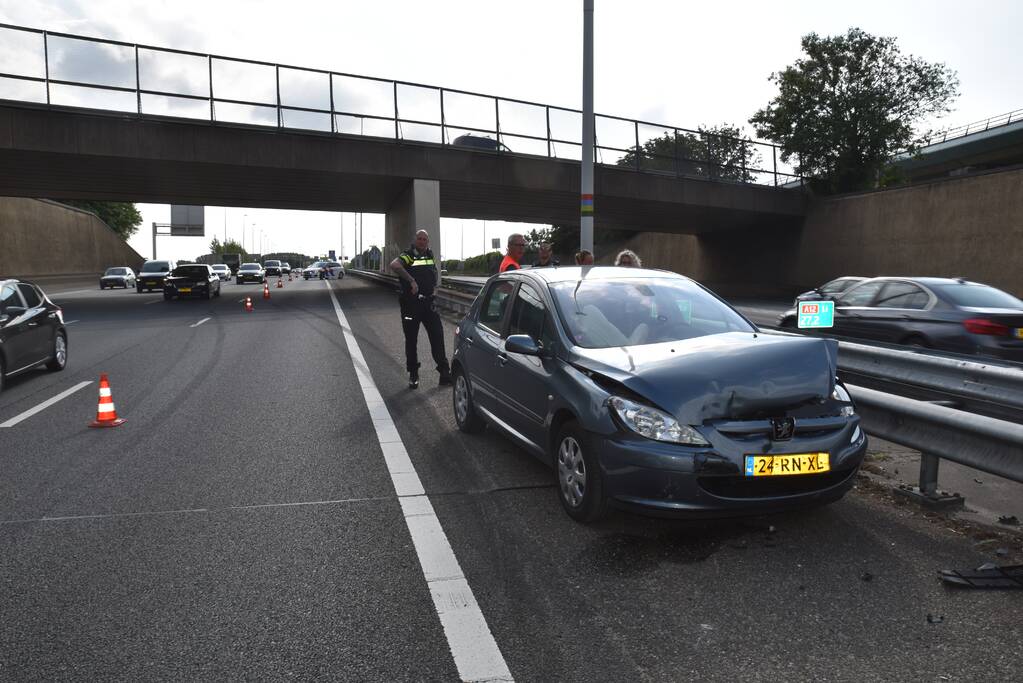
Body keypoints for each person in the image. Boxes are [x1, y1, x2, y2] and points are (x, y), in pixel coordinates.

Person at [389, 230, 452, 389]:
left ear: (428, 241)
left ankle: (444, 372)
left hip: (429, 304)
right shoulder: (409, 254)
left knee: (437, 336)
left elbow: (433, 275)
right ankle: (413, 374)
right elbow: (394, 265)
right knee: (411, 340)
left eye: (425, 239)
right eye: (419, 239)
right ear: (415, 240)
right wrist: (411, 281)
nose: (422, 241)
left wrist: (435, 290)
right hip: (411, 305)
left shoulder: (429, 255)